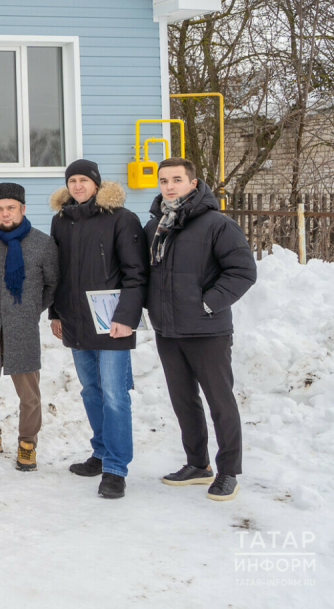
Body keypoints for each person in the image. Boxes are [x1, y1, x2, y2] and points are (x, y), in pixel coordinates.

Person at [144, 158, 257, 502]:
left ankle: (228, 472)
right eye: (164, 180)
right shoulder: (155, 228)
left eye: (177, 179)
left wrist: (207, 304)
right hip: (168, 331)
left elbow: (242, 271)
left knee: (220, 402)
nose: (170, 186)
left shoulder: (217, 225)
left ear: (194, 183)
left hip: (208, 332)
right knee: (183, 401)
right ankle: (197, 464)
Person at [49, 158, 148, 500]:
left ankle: (116, 469)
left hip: (111, 324)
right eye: (72, 180)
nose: (78, 186)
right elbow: (56, 272)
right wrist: (55, 313)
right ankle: (102, 452)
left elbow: (136, 274)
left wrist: (126, 317)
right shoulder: (61, 221)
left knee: (114, 396)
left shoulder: (122, 219)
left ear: (96, 183)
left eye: (84, 180)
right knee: (91, 391)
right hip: (75, 321)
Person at [0, 183, 58, 472]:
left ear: (22, 208)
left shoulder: (43, 243)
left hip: (23, 329)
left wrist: (29, 310)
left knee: (29, 394)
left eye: (10, 208)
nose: (5, 214)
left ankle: (27, 442)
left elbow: (51, 285)